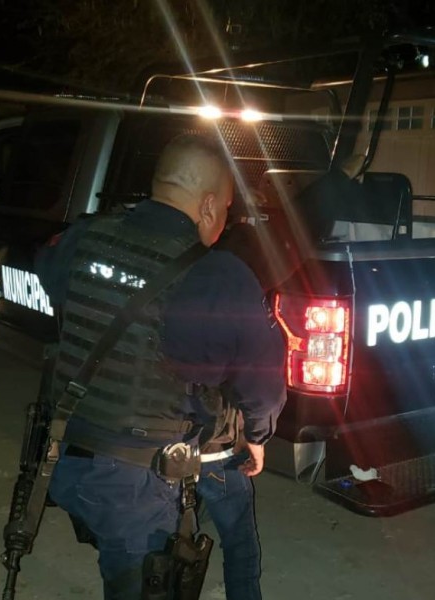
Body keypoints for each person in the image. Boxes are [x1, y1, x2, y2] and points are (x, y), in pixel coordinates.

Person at [35, 133, 286, 600]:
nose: (224, 222)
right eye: (225, 209)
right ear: (208, 206)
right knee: (142, 583)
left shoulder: (85, 235)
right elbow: (262, 379)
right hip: (137, 481)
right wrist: (257, 435)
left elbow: (51, 276)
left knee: (123, 567)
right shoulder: (216, 275)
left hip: (68, 457)